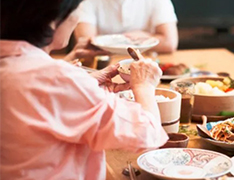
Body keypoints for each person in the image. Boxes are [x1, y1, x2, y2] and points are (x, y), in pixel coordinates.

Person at [0, 0, 168, 179]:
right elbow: (146, 136)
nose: (77, 18)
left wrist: (83, 85)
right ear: (53, 19)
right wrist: (144, 85)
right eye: (75, 9)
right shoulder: (56, 78)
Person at [74, 0, 179, 54]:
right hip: (103, 65)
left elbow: (170, 43)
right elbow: (86, 42)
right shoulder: (86, 2)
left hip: (145, 62)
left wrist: (145, 36)